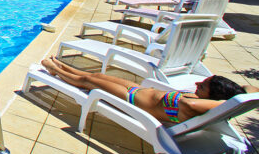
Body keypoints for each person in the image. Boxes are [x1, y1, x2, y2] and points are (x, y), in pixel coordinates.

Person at [41, 56, 246, 123]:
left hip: (131, 99)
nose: (196, 85)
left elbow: (188, 101)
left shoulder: (193, 105)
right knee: (97, 76)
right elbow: (249, 87)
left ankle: (54, 70)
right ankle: (59, 64)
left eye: (203, 86)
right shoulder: (211, 101)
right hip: (137, 89)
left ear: (215, 97)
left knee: (88, 81)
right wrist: (239, 95)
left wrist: (225, 102)